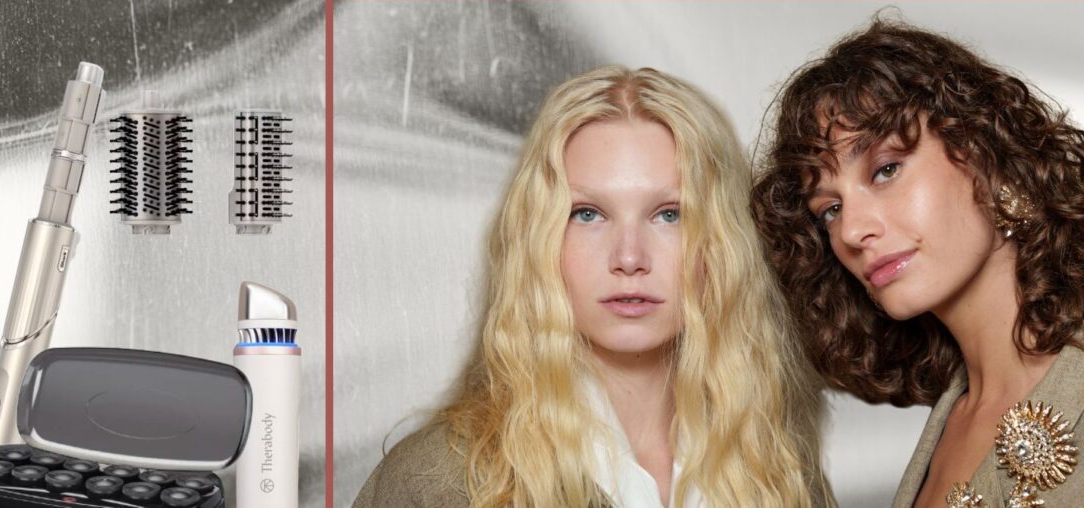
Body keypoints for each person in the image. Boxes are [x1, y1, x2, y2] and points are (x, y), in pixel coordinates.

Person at [353, 65, 829, 507]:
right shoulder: (441, 480)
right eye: (588, 214)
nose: (629, 258)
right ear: (539, 242)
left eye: (669, 214)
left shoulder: (779, 471)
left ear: (722, 245)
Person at [751, 18, 1084, 508]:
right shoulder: (954, 415)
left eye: (886, 169)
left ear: (985, 156)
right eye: (831, 208)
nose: (851, 231)